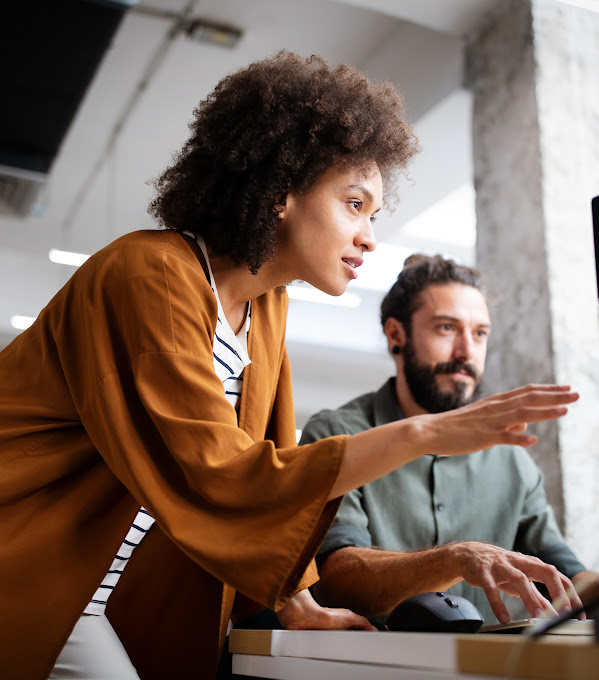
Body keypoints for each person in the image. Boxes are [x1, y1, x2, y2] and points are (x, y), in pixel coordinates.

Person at [0, 53, 580, 680]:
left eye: (373, 215)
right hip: (27, 557)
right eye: (353, 204)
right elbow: (223, 473)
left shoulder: (265, 307)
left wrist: (297, 607)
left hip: (94, 584)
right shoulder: (152, 275)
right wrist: (425, 434)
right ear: (280, 190)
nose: (367, 237)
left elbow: (269, 471)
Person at [301, 254, 597, 627]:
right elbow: (336, 581)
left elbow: (565, 572)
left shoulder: (511, 457)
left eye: (480, 333)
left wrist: (589, 585)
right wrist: (456, 559)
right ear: (396, 335)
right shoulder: (337, 434)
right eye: (446, 328)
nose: (466, 352)